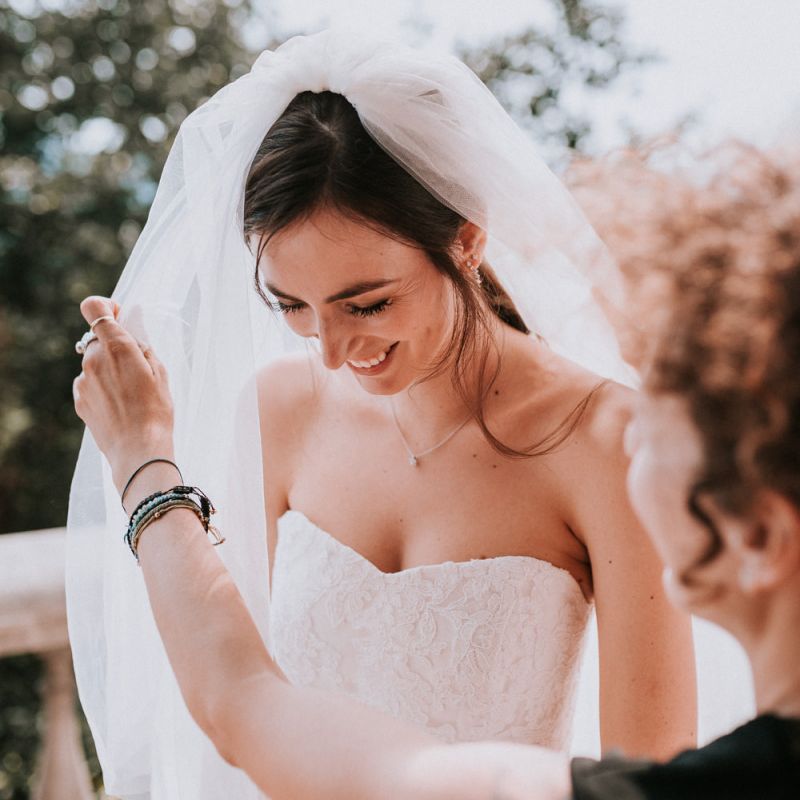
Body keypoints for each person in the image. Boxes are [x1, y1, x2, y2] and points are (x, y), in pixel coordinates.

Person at [66, 32, 701, 798]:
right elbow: (222, 685)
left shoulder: (609, 443)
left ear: (466, 240)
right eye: (292, 305)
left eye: (367, 303)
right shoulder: (278, 412)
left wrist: (146, 461)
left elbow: (654, 777)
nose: (331, 350)